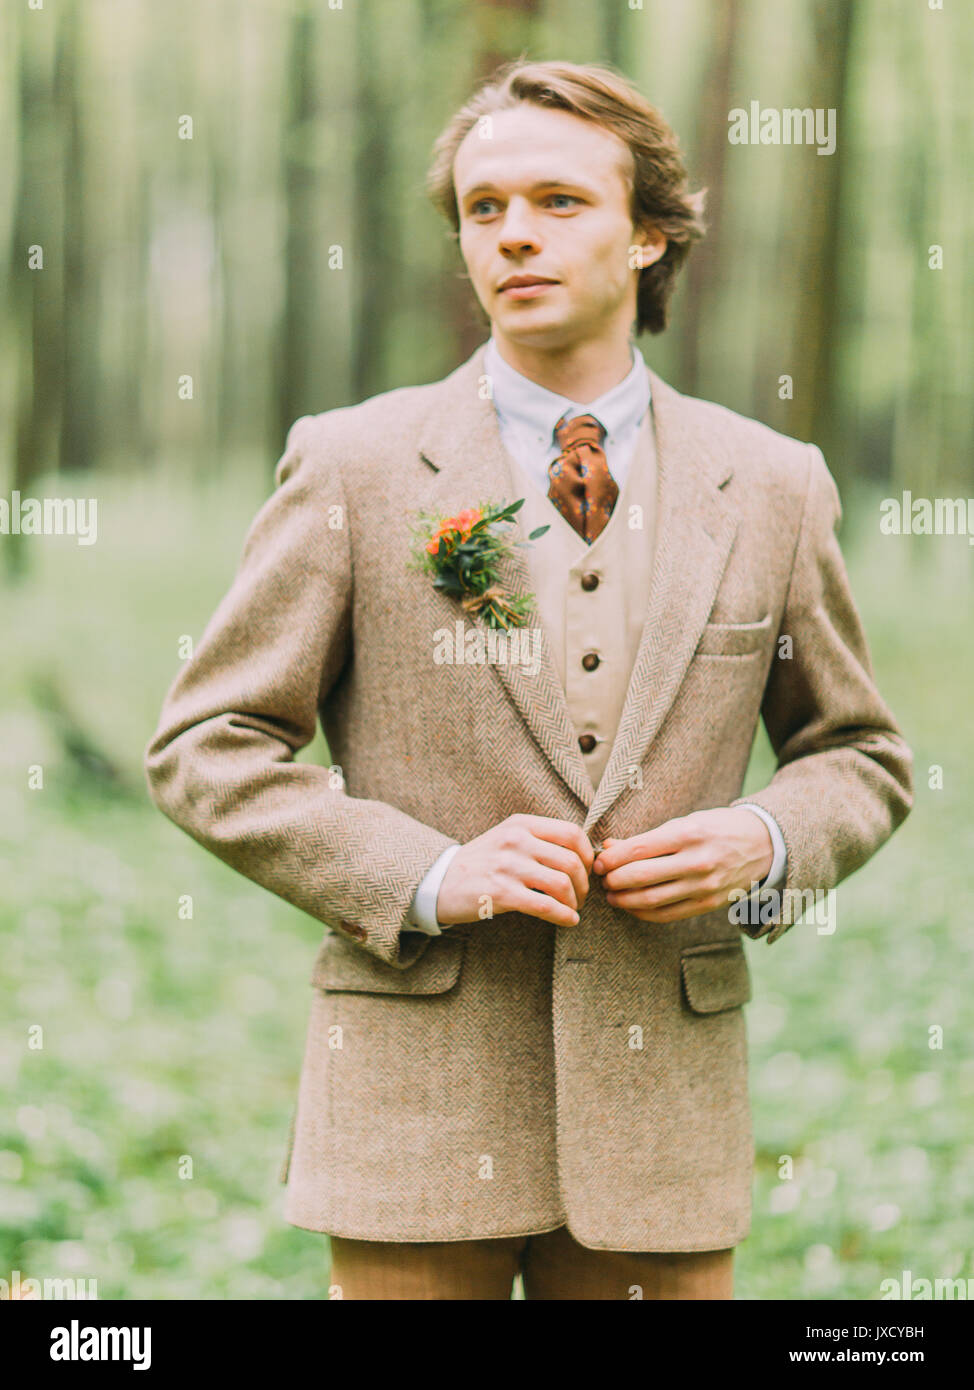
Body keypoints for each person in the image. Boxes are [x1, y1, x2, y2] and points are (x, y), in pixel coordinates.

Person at [144, 59, 914, 1300]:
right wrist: (430, 874)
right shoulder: (351, 464)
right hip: (412, 1108)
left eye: (557, 200)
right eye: (482, 207)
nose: (511, 234)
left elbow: (860, 754)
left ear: (648, 232)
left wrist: (763, 843)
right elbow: (207, 743)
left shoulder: (771, 482)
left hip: (660, 1112)